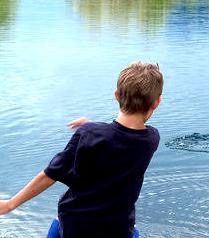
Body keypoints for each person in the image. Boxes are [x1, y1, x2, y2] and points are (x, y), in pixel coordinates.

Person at [0, 62, 164, 238]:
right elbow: (123, 135)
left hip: (76, 226)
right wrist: (91, 127)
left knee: (60, 221)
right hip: (119, 227)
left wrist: (11, 204)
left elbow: (50, 175)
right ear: (157, 102)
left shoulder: (88, 134)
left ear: (116, 95)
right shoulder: (152, 139)